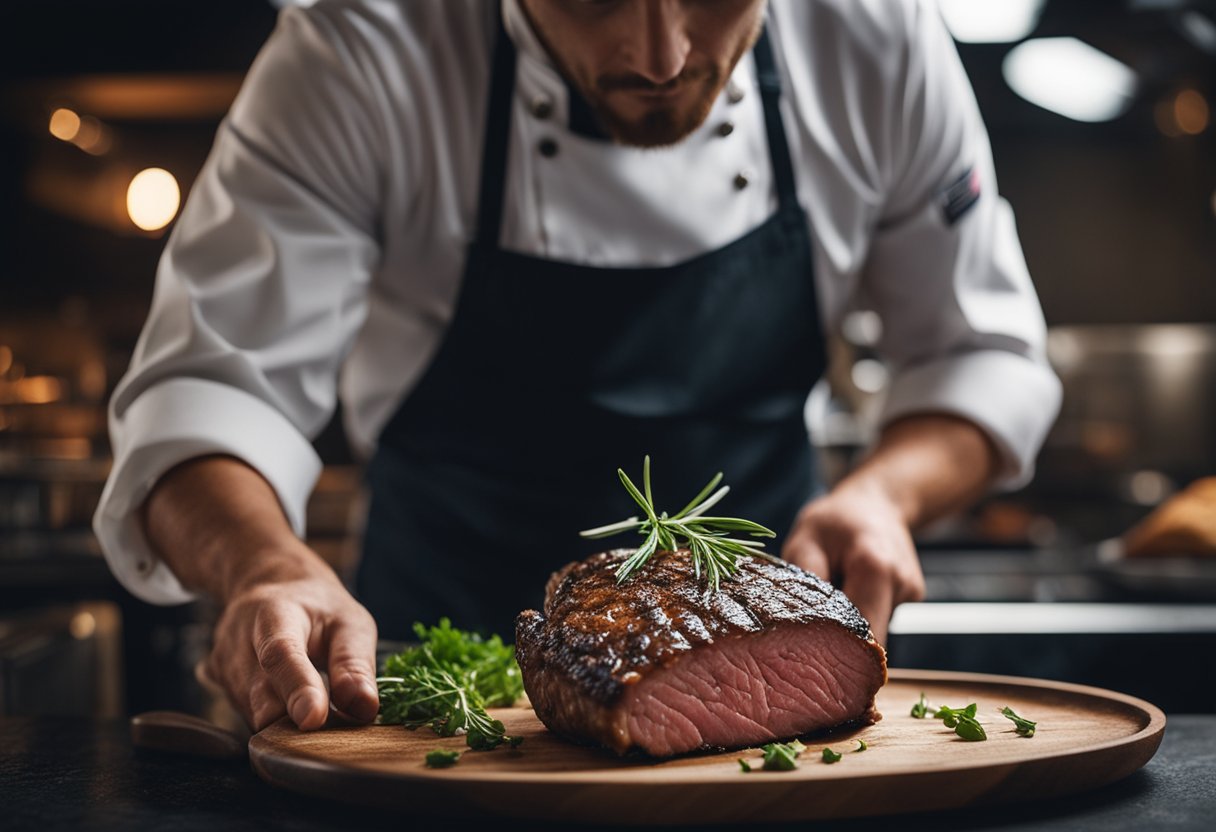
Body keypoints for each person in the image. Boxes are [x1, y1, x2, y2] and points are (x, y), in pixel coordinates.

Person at [94, 0, 1061, 734]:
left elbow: (981, 352)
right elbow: (209, 391)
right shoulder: (362, 47)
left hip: (757, 667)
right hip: (432, 687)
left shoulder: (872, 35)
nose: (662, 56)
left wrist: (885, 497)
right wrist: (263, 566)